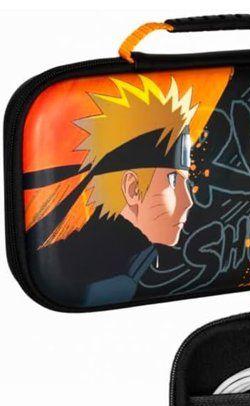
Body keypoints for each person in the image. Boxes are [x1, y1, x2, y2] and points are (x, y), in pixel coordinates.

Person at [24, 75, 197, 307]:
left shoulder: (114, 261)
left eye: (186, 182)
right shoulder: (108, 280)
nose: (188, 201)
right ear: (132, 188)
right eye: (173, 181)